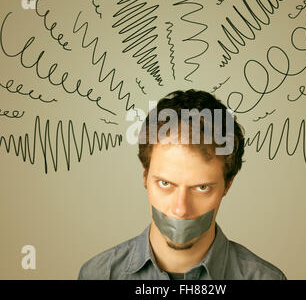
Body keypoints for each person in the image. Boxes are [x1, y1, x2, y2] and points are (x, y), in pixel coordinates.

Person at [78, 89, 286, 280]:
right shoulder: (98, 274)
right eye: (165, 183)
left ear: (228, 184)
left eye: (202, 187)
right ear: (145, 175)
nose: (180, 209)